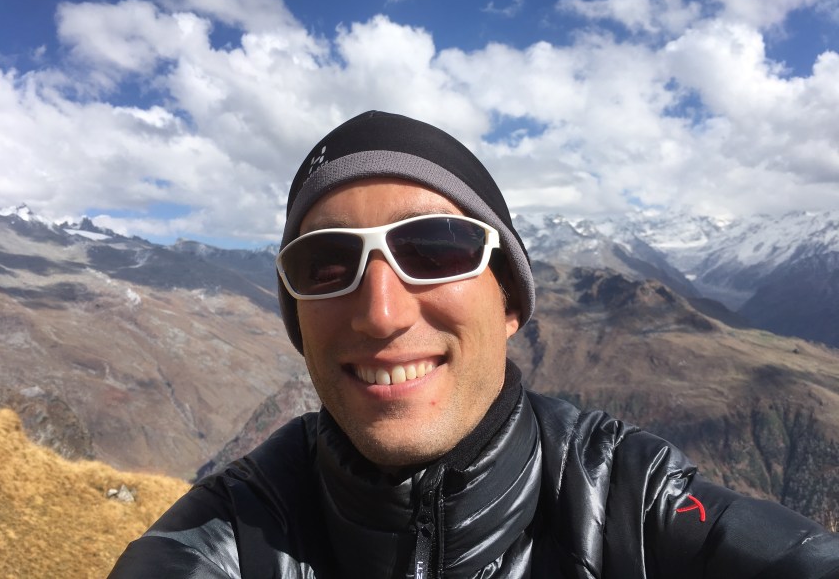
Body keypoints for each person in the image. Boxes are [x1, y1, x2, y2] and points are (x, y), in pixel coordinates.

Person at [110, 111, 839, 578]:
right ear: (299, 320)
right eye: (326, 265)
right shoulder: (234, 528)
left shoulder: (626, 500)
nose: (381, 314)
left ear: (511, 301)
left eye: (435, 249)